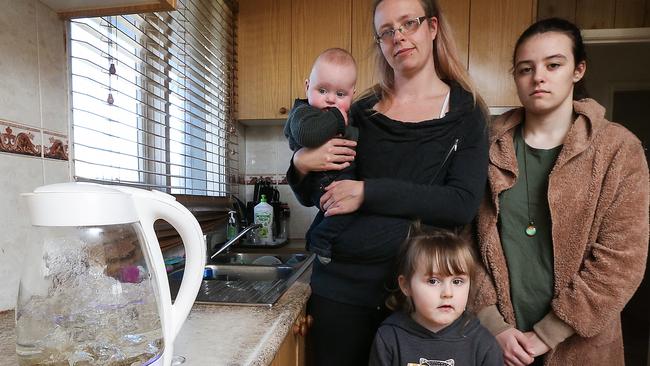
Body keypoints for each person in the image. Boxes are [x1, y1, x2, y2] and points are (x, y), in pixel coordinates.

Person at [287, 0, 489, 364]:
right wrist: (301, 163)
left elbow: (461, 203)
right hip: (341, 289)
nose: (398, 37)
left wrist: (368, 192)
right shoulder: (359, 111)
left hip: (420, 297)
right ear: (379, 43)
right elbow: (317, 195)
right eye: (386, 31)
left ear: (432, 27)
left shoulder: (466, 112)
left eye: (408, 23)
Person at [468, 18, 649, 366]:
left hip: (582, 346)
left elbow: (622, 260)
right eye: (525, 69)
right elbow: (464, 241)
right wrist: (494, 325)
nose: (538, 76)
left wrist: (547, 334)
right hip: (496, 344)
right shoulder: (486, 144)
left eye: (553, 64)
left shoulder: (618, 149)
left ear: (578, 70)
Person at [369, 223, 503, 366]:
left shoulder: (483, 343)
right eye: (433, 281)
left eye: (457, 282)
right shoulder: (389, 337)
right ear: (406, 285)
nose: (447, 293)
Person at [283, 48, 359, 264]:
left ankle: (314, 236)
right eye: (322, 90)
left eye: (341, 94)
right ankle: (320, 239)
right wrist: (337, 117)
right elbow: (308, 134)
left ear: (353, 93)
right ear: (307, 86)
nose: (331, 100)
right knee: (345, 211)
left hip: (338, 179)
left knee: (333, 213)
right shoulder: (303, 113)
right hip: (323, 182)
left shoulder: (351, 116)